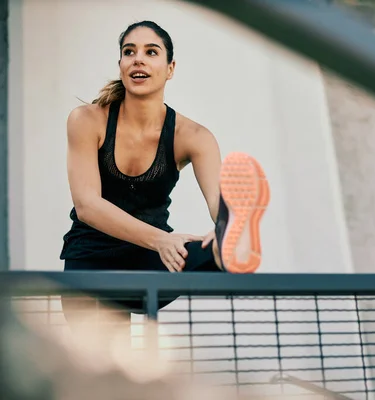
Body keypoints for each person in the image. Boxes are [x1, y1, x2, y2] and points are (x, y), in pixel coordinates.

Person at [59, 20, 270, 319]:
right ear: (121, 64)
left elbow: (217, 203)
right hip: (92, 263)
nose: (138, 59)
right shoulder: (87, 120)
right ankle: (222, 249)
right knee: (97, 362)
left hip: (151, 261)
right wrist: (161, 239)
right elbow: (87, 206)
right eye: (129, 51)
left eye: (151, 51)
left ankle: (226, 251)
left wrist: (227, 223)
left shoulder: (194, 137)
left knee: (207, 248)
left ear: (170, 68)